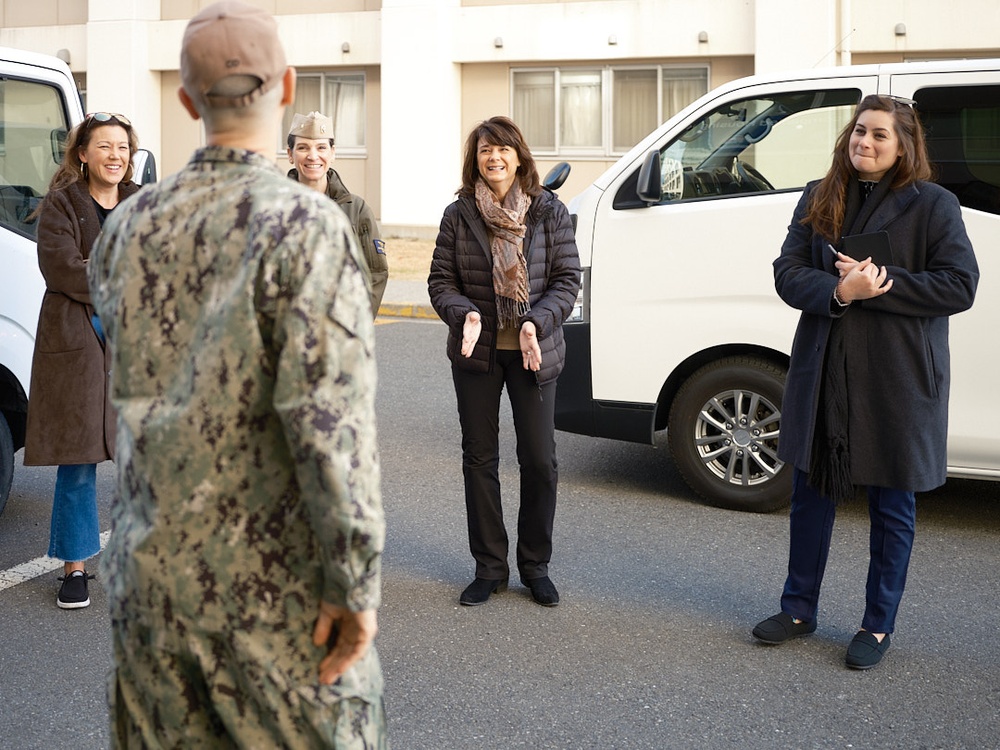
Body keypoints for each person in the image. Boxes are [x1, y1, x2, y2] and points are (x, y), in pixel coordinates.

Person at [87, 2, 387, 746]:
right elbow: (330, 429)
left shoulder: (127, 227)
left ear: (187, 101)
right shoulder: (307, 227)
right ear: (285, 88)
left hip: (151, 595)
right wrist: (354, 584)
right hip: (274, 603)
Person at [753, 95, 979, 669]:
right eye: (859, 133)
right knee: (810, 493)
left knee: (891, 503)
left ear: (904, 145)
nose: (865, 144)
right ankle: (798, 608)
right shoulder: (819, 194)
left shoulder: (934, 204)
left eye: (879, 135)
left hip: (897, 376)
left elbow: (959, 285)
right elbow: (787, 272)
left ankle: (877, 626)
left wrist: (882, 284)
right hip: (827, 366)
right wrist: (837, 293)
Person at [428, 116, 580, 607]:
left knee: (539, 459)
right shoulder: (459, 215)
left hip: (534, 350)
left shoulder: (547, 211)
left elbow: (566, 280)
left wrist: (537, 321)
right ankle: (489, 567)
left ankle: (535, 565)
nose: (493, 157)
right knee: (480, 457)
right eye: (484, 150)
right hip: (479, 351)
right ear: (475, 160)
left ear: (519, 156)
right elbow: (440, 282)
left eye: (502, 149)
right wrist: (465, 313)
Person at [23, 111, 139, 609]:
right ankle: (74, 569)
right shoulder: (61, 205)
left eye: (123, 148)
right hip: (79, 344)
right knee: (79, 461)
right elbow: (62, 269)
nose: (116, 156)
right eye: (106, 147)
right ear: (83, 154)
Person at [287, 110, 388, 316]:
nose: (313, 156)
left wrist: (357, 324)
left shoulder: (356, 209)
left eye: (321, 147)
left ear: (332, 153)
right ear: (290, 154)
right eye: (303, 147)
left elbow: (375, 272)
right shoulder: (275, 207)